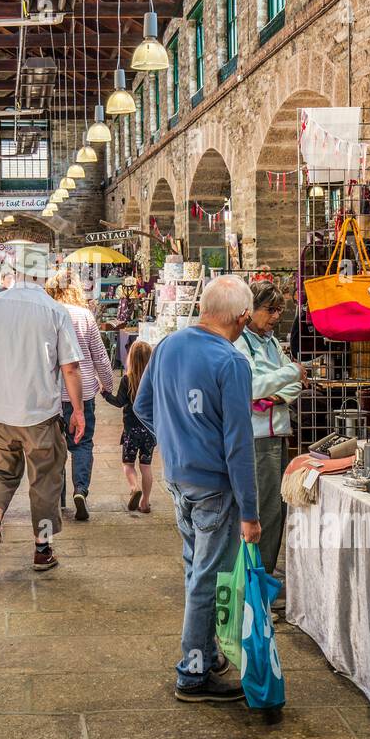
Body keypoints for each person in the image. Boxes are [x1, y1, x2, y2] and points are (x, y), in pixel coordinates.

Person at [134, 275, 259, 704]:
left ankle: (205, 652)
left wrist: (175, 442)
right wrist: (251, 512)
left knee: (195, 568)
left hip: (178, 479)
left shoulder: (168, 345)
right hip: (215, 487)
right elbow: (239, 444)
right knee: (207, 576)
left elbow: (141, 405)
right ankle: (192, 673)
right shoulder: (232, 362)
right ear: (242, 317)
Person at [0, 243, 86, 574]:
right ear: (45, 274)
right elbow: (70, 368)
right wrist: (78, 410)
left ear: (18, 271)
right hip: (39, 413)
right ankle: (41, 549)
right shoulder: (55, 311)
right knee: (45, 481)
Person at [237, 281, 304, 576]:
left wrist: (276, 394)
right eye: (270, 310)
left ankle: (264, 570)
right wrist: (289, 373)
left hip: (277, 433)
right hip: (258, 437)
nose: (276, 316)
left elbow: (295, 386)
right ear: (250, 309)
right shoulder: (241, 344)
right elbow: (252, 388)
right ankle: (258, 574)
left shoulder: (272, 343)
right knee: (265, 509)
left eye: (280, 310)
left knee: (277, 508)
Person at [45, 268, 114, 521]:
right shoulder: (85, 315)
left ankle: (59, 498)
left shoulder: (48, 314)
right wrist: (107, 384)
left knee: (56, 446)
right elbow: (100, 355)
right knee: (82, 443)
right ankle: (80, 490)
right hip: (82, 392)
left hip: (52, 392)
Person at [103, 339, 157, 513]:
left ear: (130, 358)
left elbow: (119, 402)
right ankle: (145, 502)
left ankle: (134, 487)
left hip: (131, 431)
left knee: (128, 464)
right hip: (150, 430)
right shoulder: (155, 380)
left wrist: (104, 393)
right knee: (146, 466)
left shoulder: (128, 379)